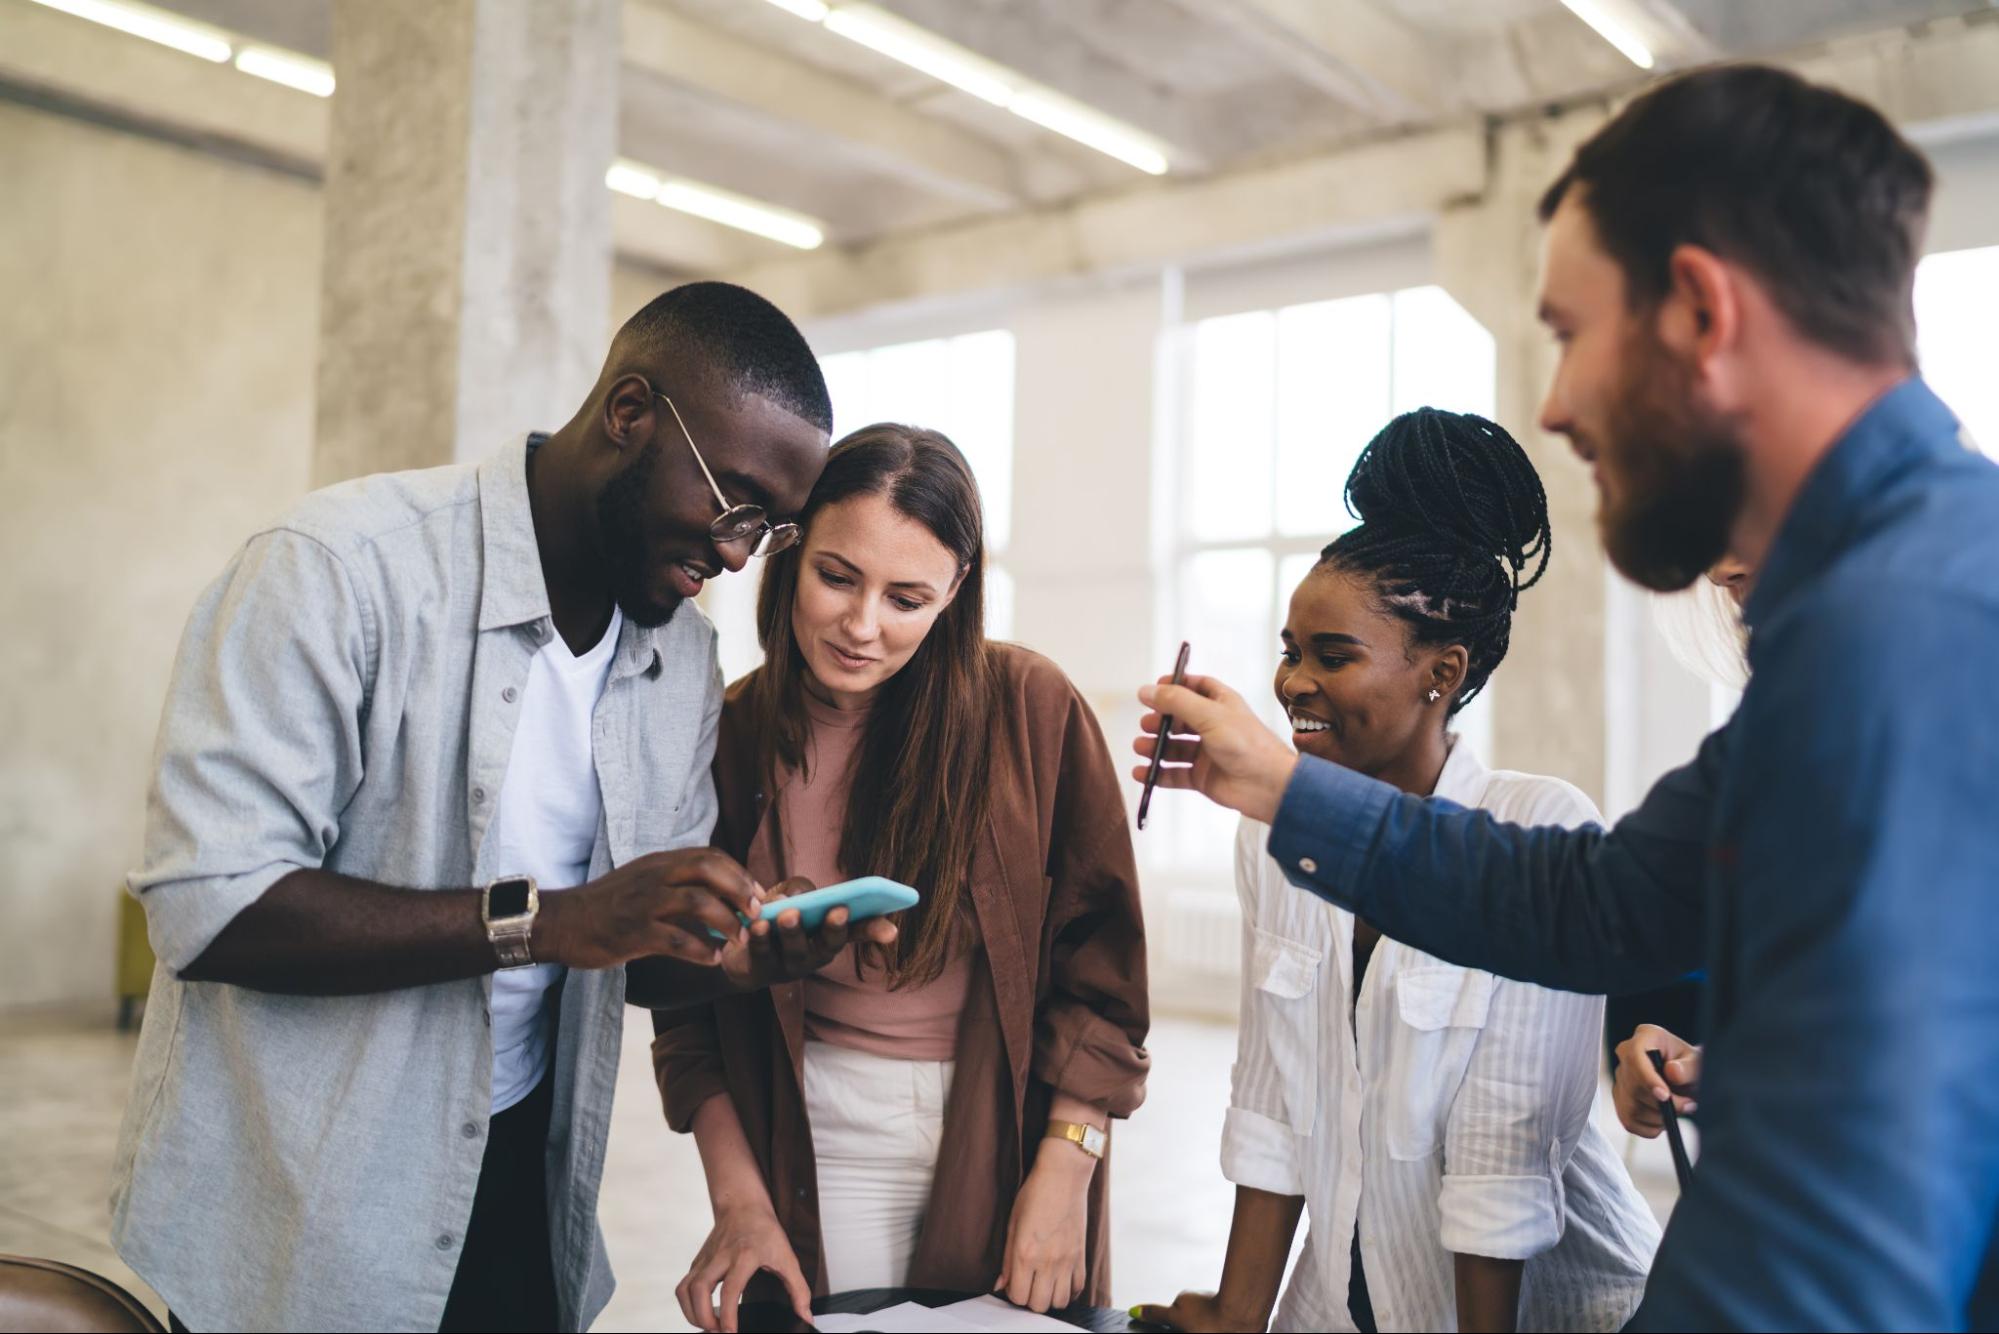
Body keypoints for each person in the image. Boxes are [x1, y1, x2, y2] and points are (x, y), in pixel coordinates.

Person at [1130, 64, 1999, 1330]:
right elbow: (1597, 898)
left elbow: (1840, 1234)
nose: (1553, 403)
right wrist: (1274, 783)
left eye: (1567, 331)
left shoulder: (1907, 631)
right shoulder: (1871, 608)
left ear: (1698, 309)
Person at [114, 283, 888, 1333]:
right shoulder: (339, 571)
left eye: (772, 527)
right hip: (303, 1200)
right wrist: (550, 919)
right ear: (629, 414)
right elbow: (209, 903)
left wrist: (740, 951)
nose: (743, 551)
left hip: (520, 1175)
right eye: (734, 502)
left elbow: (633, 944)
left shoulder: (679, 658)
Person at [1135, 410, 1658, 1334]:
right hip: (1337, 1304)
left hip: (1549, 1312)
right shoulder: (1271, 839)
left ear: (1441, 672)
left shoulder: (1538, 827)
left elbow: (1503, 1156)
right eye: (1289, 653)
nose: (1294, 683)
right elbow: (1272, 1096)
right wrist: (1235, 1315)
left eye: (1333, 656)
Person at [642, 424, 1150, 1333]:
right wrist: (741, 1203)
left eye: (908, 597)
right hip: (818, 1131)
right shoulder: (729, 735)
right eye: (837, 577)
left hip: (1010, 1124)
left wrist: (1069, 1162)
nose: (863, 626)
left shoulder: (1029, 709)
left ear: (956, 594)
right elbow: (685, 1014)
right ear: (788, 555)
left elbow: (1101, 970)